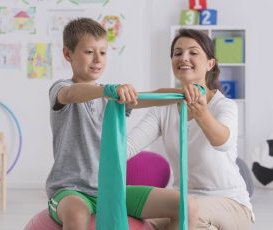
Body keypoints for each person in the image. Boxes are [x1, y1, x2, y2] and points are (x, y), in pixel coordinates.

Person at [46, 18, 198, 230]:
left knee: (185, 206)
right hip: (71, 190)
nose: (98, 59)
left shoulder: (112, 96)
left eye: (103, 52)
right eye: (89, 52)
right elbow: (71, 94)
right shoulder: (61, 88)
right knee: (76, 214)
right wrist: (106, 90)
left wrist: (180, 93)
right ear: (68, 54)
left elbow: (149, 96)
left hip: (112, 189)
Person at [127, 28, 254, 230]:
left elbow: (223, 142)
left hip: (230, 202)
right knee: (139, 224)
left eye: (193, 53)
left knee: (188, 216)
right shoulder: (164, 108)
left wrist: (202, 113)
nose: (184, 58)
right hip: (183, 199)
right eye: (177, 53)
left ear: (210, 64)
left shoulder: (224, 105)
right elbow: (128, 146)